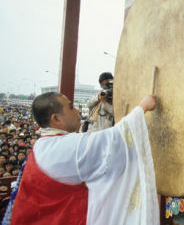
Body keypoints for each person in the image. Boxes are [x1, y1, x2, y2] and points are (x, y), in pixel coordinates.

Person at [3, 92, 159, 224]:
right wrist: (142, 108)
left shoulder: (42, 145)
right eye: (71, 107)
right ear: (56, 119)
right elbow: (113, 141)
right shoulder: (64, 147)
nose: (77, 110)